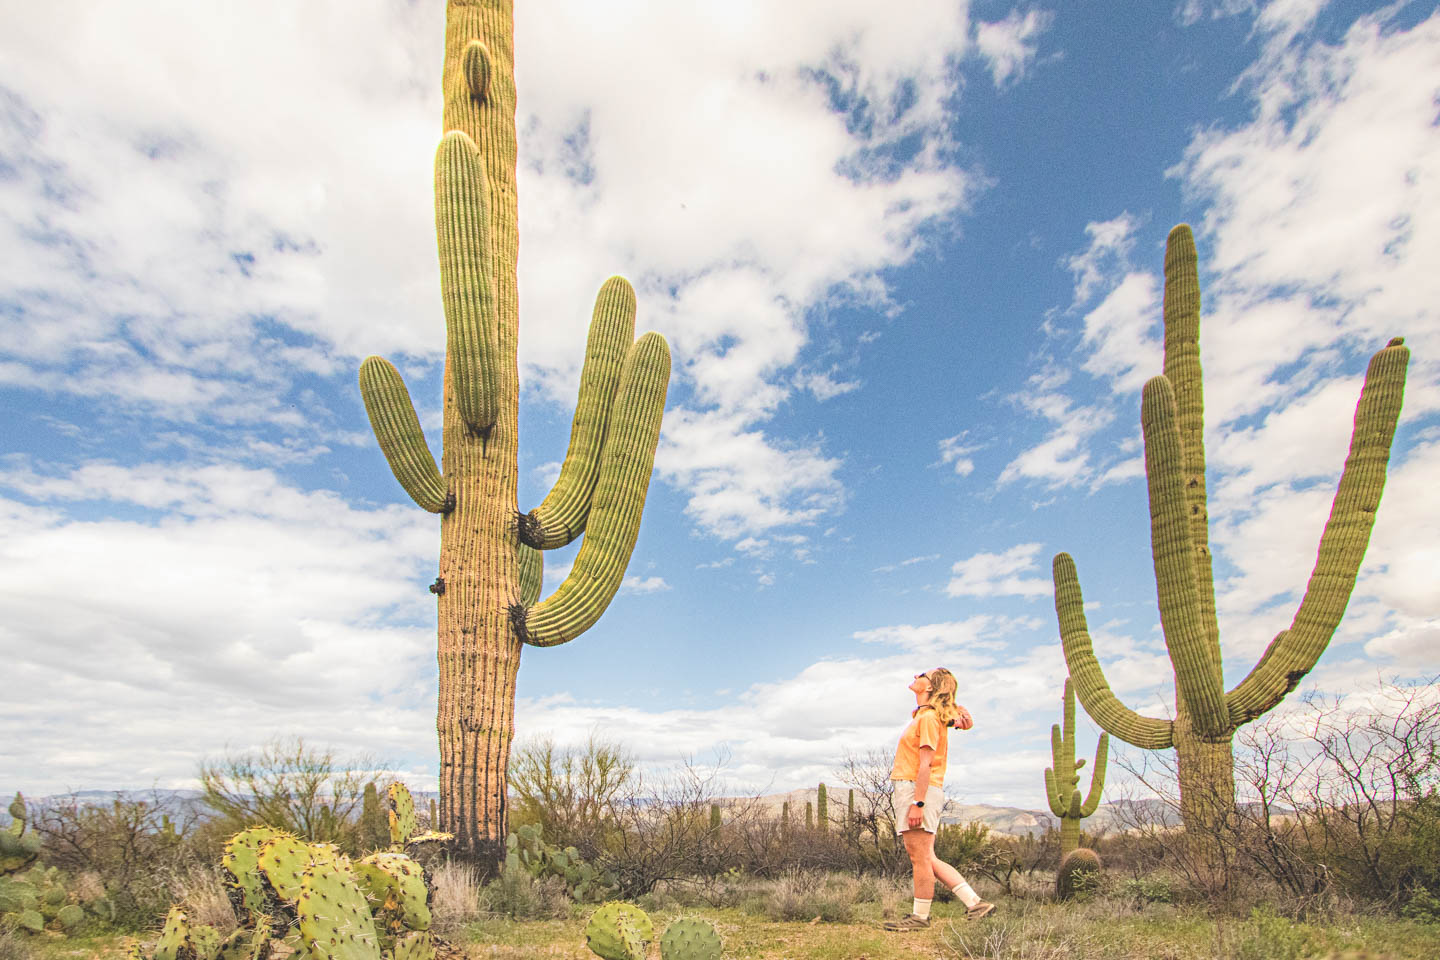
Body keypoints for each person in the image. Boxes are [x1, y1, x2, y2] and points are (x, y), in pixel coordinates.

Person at [882, 667, 994, 931]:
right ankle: (975, 903)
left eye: (923, 674)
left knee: (919, 858)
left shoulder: (929, 718)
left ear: (930, 687)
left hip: (917, 788)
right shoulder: (927, 716)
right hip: (914, 788)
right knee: (927, 856)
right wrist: (959, 719)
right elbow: (960, 719)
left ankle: (920, 918)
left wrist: (917, 803)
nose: (915, 675)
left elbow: (926, 764)